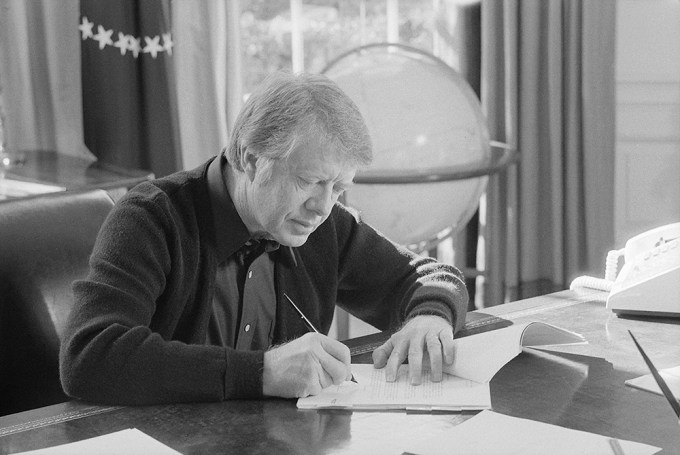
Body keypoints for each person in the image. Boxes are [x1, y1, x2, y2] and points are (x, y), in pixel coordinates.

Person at [59, 71, 468, 405]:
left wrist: (430, 316)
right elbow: (89, 356)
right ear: (252, 159)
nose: (323, 207)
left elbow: (429, 276)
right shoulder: (151, 219)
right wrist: (261, 373)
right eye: (310, 181)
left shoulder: (323, 224)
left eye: (339, 188)